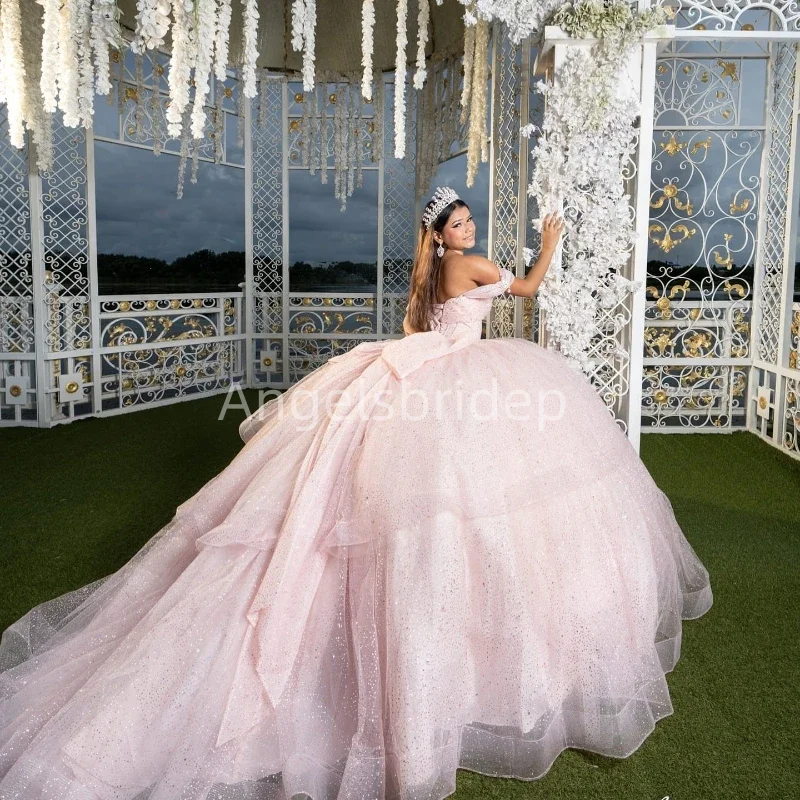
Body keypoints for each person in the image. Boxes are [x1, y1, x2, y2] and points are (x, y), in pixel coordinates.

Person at [0, 186, 713, 800]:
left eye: (468, 221)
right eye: (459, 223)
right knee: (474, 505)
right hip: (468, 377)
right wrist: (550, 243)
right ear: (443, 235)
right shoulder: (475, 267)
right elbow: (526, 291)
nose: (469, 228)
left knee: (436, 501)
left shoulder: (432, 275)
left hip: (432, 369)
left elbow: (414, 327)